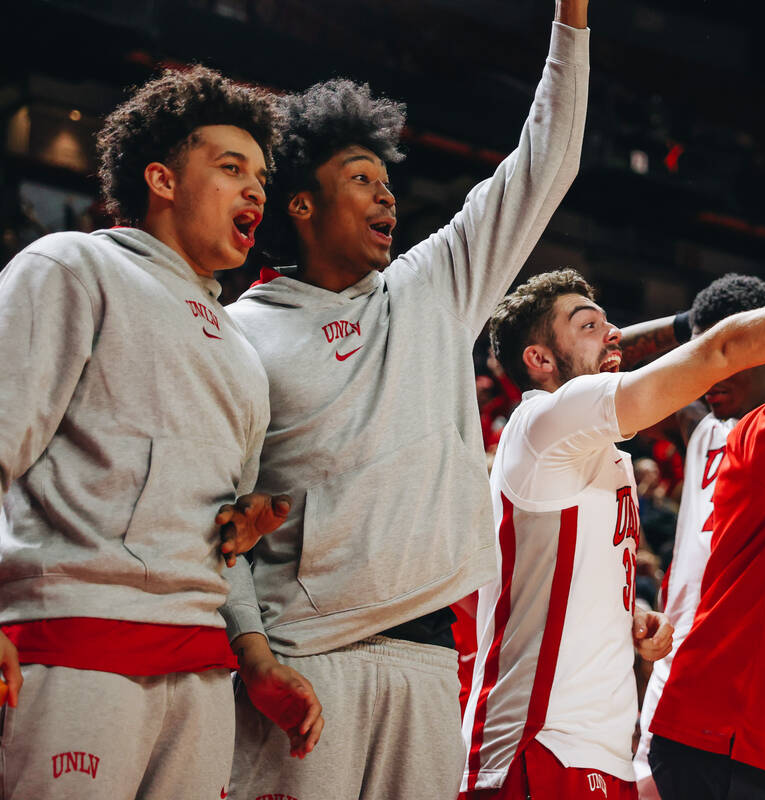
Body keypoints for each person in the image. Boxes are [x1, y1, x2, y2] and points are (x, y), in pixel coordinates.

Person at [219, 3, 592, 797]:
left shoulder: (433, 288)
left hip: (428, 659)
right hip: (304, 658)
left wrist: (572, 22)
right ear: (301, 205)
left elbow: (545, 164)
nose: (387, 199)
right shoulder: (236, 334)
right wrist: (252, 651)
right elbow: (215, 521)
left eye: (388, 184)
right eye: (362, 181)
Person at [462, 202, 765, 800]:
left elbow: (555, 581)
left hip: (602, 743)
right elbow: (717, 352)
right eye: (589, 325)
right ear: (538, 360)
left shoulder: (605, 453)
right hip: (539, 742)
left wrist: (625, 617)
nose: (613, 333)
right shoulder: (546, 418)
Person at [0, 67, 306, 799]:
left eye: (260, 175)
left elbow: (226, 539)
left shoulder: (239, 348)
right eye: (230, 169)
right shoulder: (71, 265)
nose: (256, 190)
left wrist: (256, 651)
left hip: (200, 667)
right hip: (73, 643)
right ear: (162, 179)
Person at [628, 272, 765, 800]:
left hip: (754, 696)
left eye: (727, 352)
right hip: (676, 672)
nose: (708, 371)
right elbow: (610, 353)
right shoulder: (706, 427)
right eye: (703, 353)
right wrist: (691, 328)